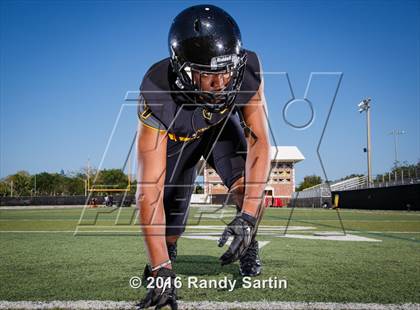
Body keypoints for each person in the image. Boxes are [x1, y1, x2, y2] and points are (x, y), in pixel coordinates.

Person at [135, 5, 270, 309]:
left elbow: (259, 141)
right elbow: (148, 192)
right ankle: (167, 255)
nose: (222, 83)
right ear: (183, 70)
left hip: (220, 131)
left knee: (248, 189)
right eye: (209, 75)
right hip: (178, 141)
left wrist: (248, 217)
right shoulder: (157, 92)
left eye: (227, 70)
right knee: (170, 226)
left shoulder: (246, 70)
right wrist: (160, 267)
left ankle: (248, 246)